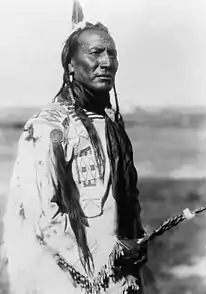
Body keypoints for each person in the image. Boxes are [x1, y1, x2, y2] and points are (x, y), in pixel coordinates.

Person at [3, 21, 153, 294]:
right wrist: (98, 263)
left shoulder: (111, 125)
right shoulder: (48, 128)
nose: (107, 62)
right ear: (71, 64)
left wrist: (135, 244)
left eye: (112, 54)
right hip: (67, 279)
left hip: (118, 277)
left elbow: (129, 200)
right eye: (95, 52)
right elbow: (42, 216)